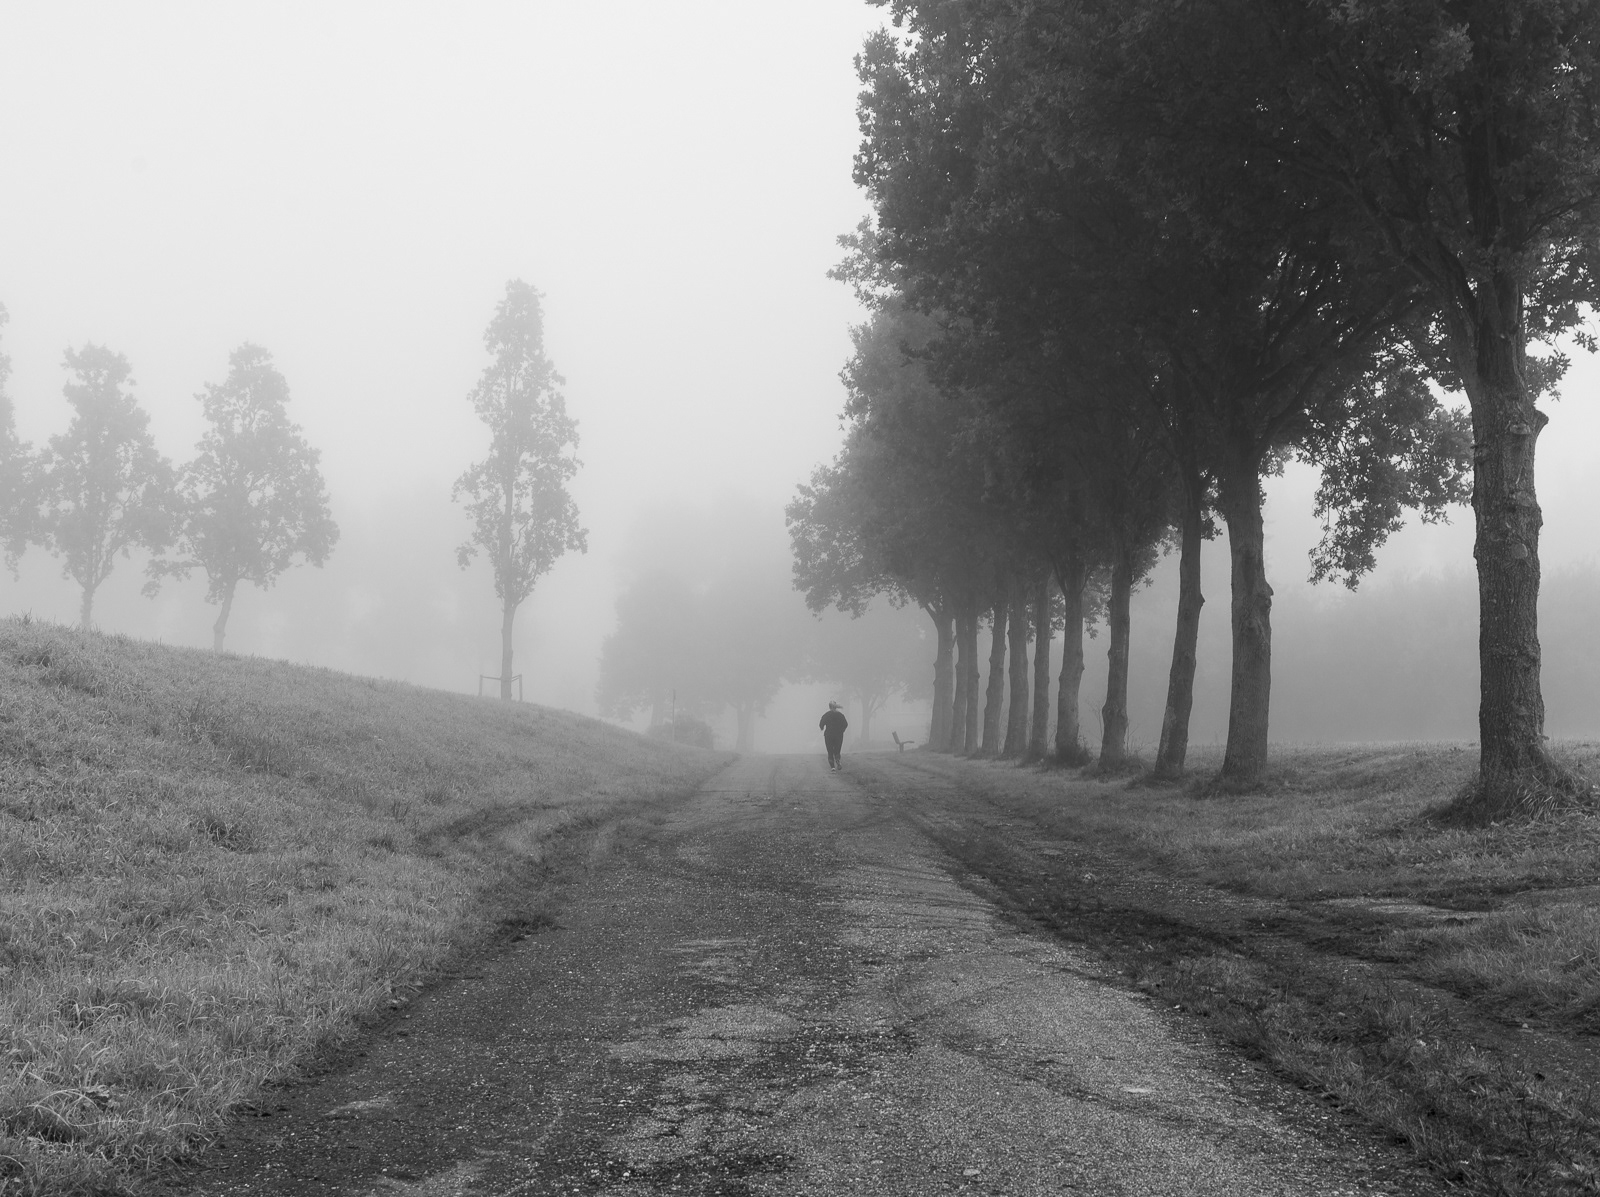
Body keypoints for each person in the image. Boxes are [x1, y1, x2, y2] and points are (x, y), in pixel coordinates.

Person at [819, 701, 848, 771]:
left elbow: (821, 724)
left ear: (829, 707)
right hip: (839, 735)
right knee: (837, 750)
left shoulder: (826, 715)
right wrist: (842, 730)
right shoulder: (841, 715)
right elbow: (845, 724)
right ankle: (837, 759)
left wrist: (822, 727)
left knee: (830, 751)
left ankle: (832, 767)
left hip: (828, 735)